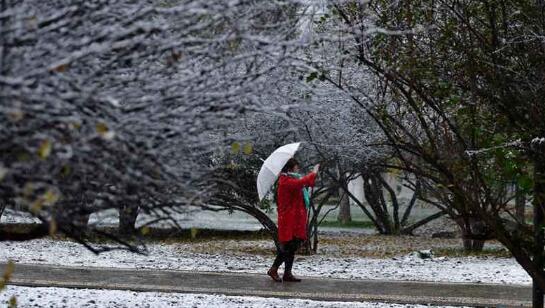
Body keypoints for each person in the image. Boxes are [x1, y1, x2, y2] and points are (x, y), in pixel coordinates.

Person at [267, 158, 318, 282]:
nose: (298, 168)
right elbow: (301, 183)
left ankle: (287, 273)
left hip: (294, 219)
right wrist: (313, 173)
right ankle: (274, 269)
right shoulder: (286, 181)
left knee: (293, 245)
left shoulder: (292, 179)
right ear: (290, 168)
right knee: (289, 247)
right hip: (289, 220)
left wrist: (311, 179)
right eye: (296, 166)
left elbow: (305, 183)